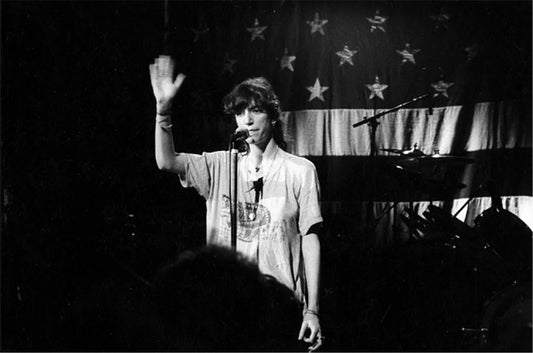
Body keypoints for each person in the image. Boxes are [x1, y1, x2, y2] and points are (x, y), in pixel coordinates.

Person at [149, 55, 324, 351]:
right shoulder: (220, 166)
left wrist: (312, 310)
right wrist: (162, 113)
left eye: (255, 110)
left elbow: (310, 237)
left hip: (278, 305)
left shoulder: (300, 170)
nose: (248, 119)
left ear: (272, 116)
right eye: (241, 112)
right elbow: (166, 161)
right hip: (224, 307)